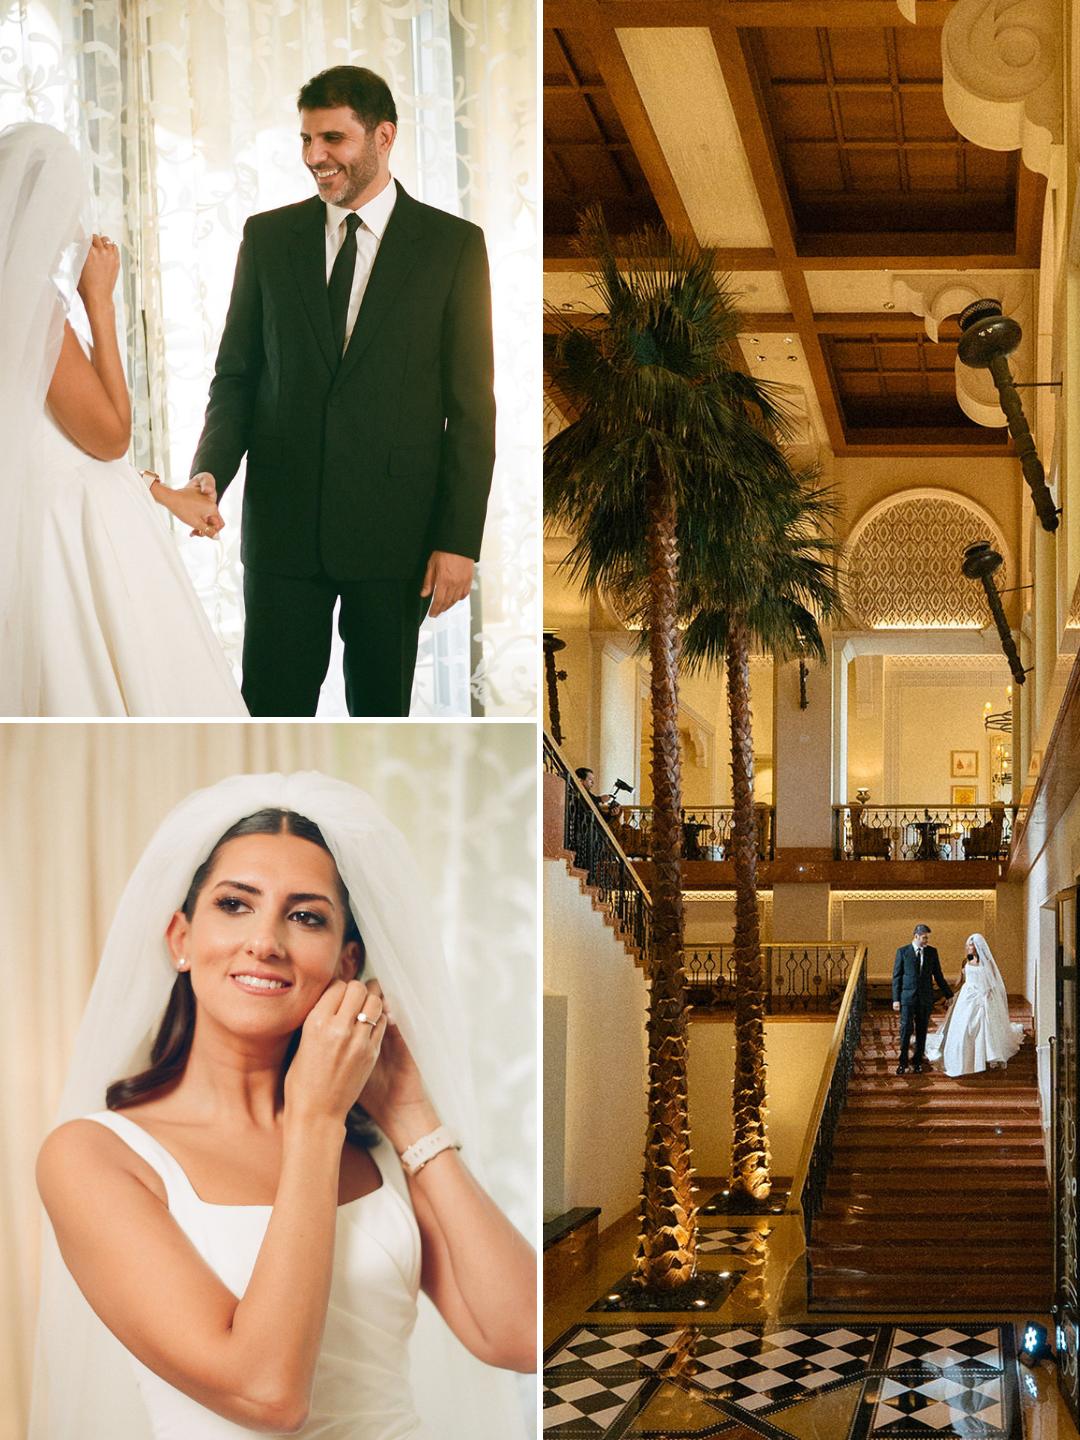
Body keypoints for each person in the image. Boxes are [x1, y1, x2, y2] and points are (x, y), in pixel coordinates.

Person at [31, 773, 534, 1439]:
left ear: (345, 962)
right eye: (236, 905)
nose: (265, 941)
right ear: (180, 937)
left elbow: (524, 1336)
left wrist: (411, 1115)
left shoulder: (380, 1150)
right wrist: (315, 1121)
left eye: (305, 916)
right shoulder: (94, 1157)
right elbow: (268, 1395)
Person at [189, 66, 495, 718]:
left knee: (382, 716)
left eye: (332, 138)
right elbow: (236, 377)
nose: (314, 157)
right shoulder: (267, 239)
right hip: (281, 533)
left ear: (384, 136)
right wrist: (209, 472)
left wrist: (459, 539)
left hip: (397, 535)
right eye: (305, 139)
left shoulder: (454, 248)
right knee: (270, 716)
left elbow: (472, 410)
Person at [0, 122, 247, 717]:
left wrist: (164, 494)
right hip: (67, 545)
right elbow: (108, 439)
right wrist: (99, 304)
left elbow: (46, 446)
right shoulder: (26, 303)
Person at [924, 932, 1024, 1076]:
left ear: (977, 946)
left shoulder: (986, 963)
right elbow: (961, 981)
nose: (968, 947)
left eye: (970, 945)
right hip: (967, 997)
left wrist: (985, 996)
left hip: (983, 997)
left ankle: (986, 1057)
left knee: (982, 1027)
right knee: (964, 1027)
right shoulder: (966, 961)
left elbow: (993, 983)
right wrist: (948, 995)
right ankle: (964, 1058)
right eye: (968, 944)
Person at [892, 923, 953, 1075]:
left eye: (927, 938)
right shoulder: (903, 952)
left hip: (925, 998)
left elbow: (938, 975)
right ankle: (903, 1062)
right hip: (907, 998)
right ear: (916, 936)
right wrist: (896, 999)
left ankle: (918, 1062)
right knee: (905, 1029)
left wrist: (949, 994)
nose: (926, 940)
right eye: (924, 937)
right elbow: (897, 977)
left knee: (921, 1031)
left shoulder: (932, 952)